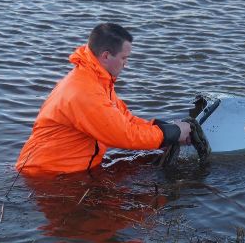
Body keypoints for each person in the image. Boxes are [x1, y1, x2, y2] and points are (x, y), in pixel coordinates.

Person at [16, 23, 191, 176]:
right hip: (46, 175)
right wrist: (172, 133)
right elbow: (124, 136)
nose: (126, 64)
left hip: (67, 170)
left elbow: (125, 121)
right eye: (124, 58)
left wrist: (164, 128)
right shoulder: (84, 91)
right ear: (106, 56)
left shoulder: (96, 80)